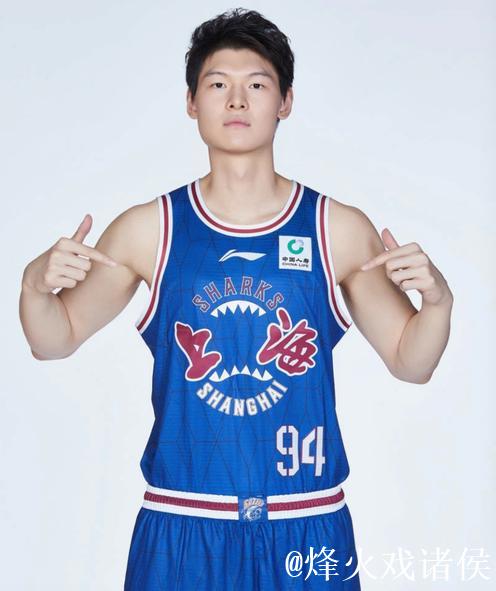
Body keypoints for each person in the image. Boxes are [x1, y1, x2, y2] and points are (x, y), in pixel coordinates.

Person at [19, 7, 454, 590]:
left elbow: (411, 361)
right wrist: (34, 285)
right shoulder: (151, 229)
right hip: (183, 522)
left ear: (286, 101)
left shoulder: (335, 228)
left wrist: (438, 303)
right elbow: (54, 339)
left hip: (306, 522)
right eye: (218, 84)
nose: (238, 100)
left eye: (258, 85)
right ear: (191, 102)